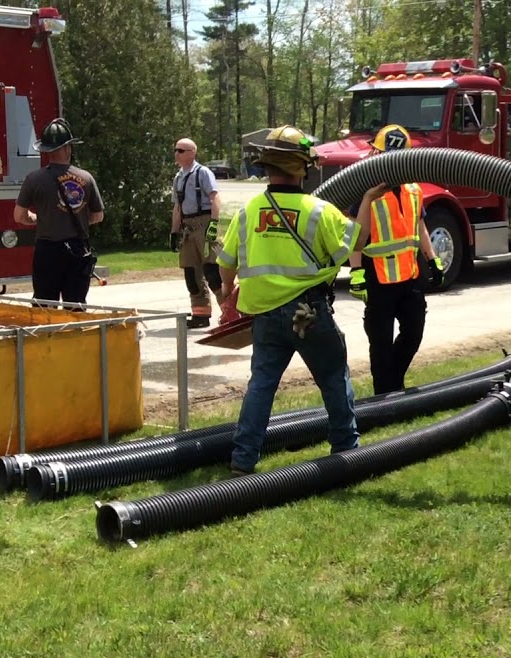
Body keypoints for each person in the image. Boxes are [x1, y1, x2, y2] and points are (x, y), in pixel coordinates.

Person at [217, 125, 380, 476]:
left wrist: (226, 298)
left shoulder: (248, 212)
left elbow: (225, 263)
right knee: (334, 378)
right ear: (302, 167)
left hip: (265, 317)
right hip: (309, 313)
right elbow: (357, 242)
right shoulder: (319, 211)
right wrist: (367, 200)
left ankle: (243, 460)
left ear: (267, 165)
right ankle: (346, 451)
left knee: (261, 385)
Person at [349, 124, 444, 394]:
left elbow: (420, 226)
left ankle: (394, 383)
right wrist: (356, 271)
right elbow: (355, 232)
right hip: (377, 277)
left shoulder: (414, 189)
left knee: (413, 334)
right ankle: (384, 394)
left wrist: (432, 259)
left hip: (409, 276)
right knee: (379, 342)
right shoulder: (364, 191)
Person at [14, 118, 104, 307]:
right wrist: (76, 220)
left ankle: (47, 336)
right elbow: (98, 216)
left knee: (44, 307)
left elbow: (19, 216)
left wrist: (41, 219)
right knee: (76, 306)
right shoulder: (86, 178)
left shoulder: (34, 179)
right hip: (78, 249)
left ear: (45, 150)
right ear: (67, 148)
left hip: (47, 251)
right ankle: (76, 336)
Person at [170, 138, 224, 328]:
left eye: (181, 150)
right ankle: (201, 315)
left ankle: (230, 313)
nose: (177, 154)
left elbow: (215, 198)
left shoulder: (203, 173)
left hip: (204, 222)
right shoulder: (178, 178)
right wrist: (174, 232)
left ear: (193, 152)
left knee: (213, 271)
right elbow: (177, 207)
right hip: (187, 227)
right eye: (176, 150)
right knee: (191, 274)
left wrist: (213, 225)